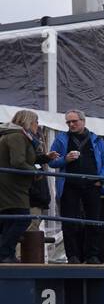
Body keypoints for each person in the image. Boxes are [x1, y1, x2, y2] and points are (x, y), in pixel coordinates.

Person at [48, 110, 104, 264]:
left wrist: (100, 180)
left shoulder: (97, 140)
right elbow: (51, 161)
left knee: (93, 221)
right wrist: (65, 159)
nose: (71, 124)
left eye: (74, 121)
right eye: (68, 122)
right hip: (69, 185)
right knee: (69, 221)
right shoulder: (61, 139)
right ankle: (73, 256)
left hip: (92, 185)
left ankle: (92, 255)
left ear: (83, 121)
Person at [0, 110, 55, 264]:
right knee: (22, 218)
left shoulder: (17, 135)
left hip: (12, 185)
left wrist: (44, 157)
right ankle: (5, 254)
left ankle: (6, 254)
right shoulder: (17, 136)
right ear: (30, 122)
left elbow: (25, 157)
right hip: (12, 185)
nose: (38, 126)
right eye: (36, 122)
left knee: (10, 219)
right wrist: (35, 172)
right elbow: (18, 161)